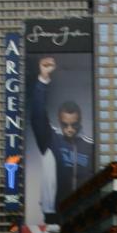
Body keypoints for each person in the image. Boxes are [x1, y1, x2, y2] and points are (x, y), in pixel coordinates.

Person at [30, 56, 94, 222]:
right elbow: (37, 116)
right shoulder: (52, 139)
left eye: (74, 124)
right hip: (55, 216)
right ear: (60, 121)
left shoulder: (90, 146)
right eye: (65, 124)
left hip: (84, 215)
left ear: (80, 121)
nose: (70, 129)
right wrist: (43, 79)